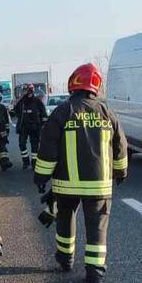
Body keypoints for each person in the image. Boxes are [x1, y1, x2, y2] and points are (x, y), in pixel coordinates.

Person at [34, 63, 128, 283]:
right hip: (99, 188)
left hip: (66, 186)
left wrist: (41, 178)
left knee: (65, 220)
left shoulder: (62, 112)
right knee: (97, 228)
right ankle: (95, 272)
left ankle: (65, 259)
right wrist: (120, 171)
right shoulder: (107, 113)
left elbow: (47, 148)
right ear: (95, 87)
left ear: (73, 84)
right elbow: (121, 146)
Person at [12, 84, 48, 169]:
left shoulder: (37, 101)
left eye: (30, 90)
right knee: (22, 144)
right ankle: (26, 162)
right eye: (27, 90)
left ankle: (34, 163)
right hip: (23, 127)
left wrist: (43, 125)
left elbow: (43, 113)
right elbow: (15, 111)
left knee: (34, 145)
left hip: (35, 127)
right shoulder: (22, 101)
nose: (29, 92)